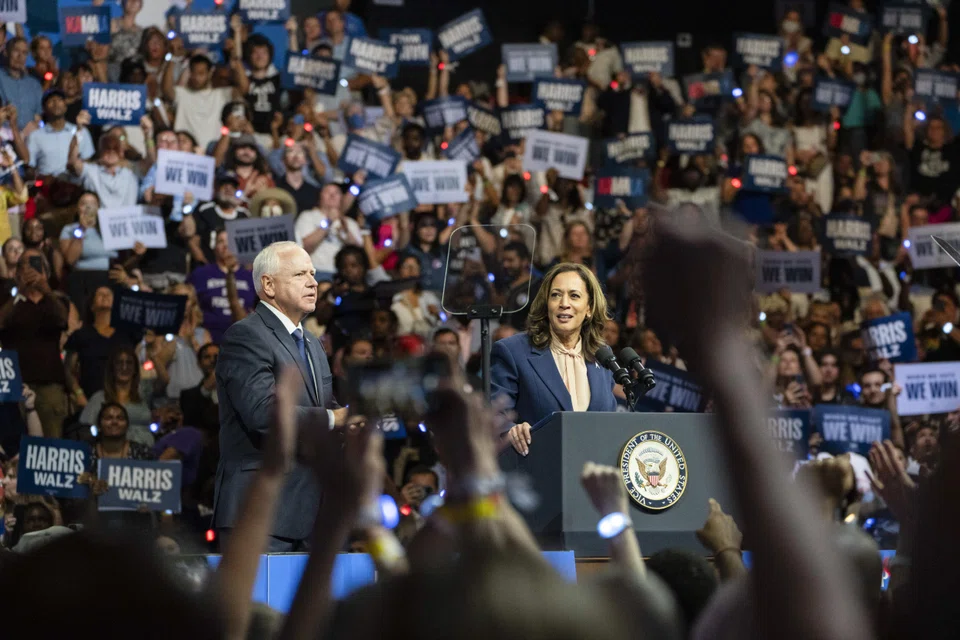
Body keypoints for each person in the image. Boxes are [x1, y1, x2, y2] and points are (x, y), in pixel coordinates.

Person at [214, 241, 348, 551]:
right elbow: (263, 414)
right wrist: (333, 418)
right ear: (268, 284)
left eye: (312, 273)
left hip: (312, 513)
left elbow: (323, 408)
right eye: (300, 274)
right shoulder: (245, 335)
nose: (313, 282)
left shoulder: (313, 342)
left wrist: (351, 420)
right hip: (261, 513)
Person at [492, 263, 618, 455]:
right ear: (546, 304)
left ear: (589, 308)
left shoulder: (602, 355)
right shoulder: (513, 351)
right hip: (538, 470)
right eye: (556, 295)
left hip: (591, 472)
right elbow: (494, 416)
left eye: (574, 296)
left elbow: (609, 422)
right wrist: (511, 430)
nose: (564, 303)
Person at [0, 249, 69, 437]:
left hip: (50, 383)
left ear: (45, 270)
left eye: (36, 264)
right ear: (17, 272)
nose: (31, 269)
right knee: (16, 441)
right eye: (25, 265)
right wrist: (19, 293)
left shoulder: (56, 300)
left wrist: (46, 290)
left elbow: (63, 320)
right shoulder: (8, 298)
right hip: (15, 384)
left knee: (51, 442)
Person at [188, 230, 256, 344]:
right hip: (207, 337)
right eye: (220, 241)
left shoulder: (251, 277)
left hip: (243, 336)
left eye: (230, 241)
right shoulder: (201, 274)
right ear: (215, 248)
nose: (226, 245)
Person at [79, 346, 156, 446]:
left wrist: (154, 357)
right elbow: (85, 429)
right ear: (112, 368)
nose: (124, 367)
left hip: (145, 452)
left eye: (129, 363)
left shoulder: (145, 393)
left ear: (135, 369)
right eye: (119, 363)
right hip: (112, 454)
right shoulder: (99, 398)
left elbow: (165, 381)